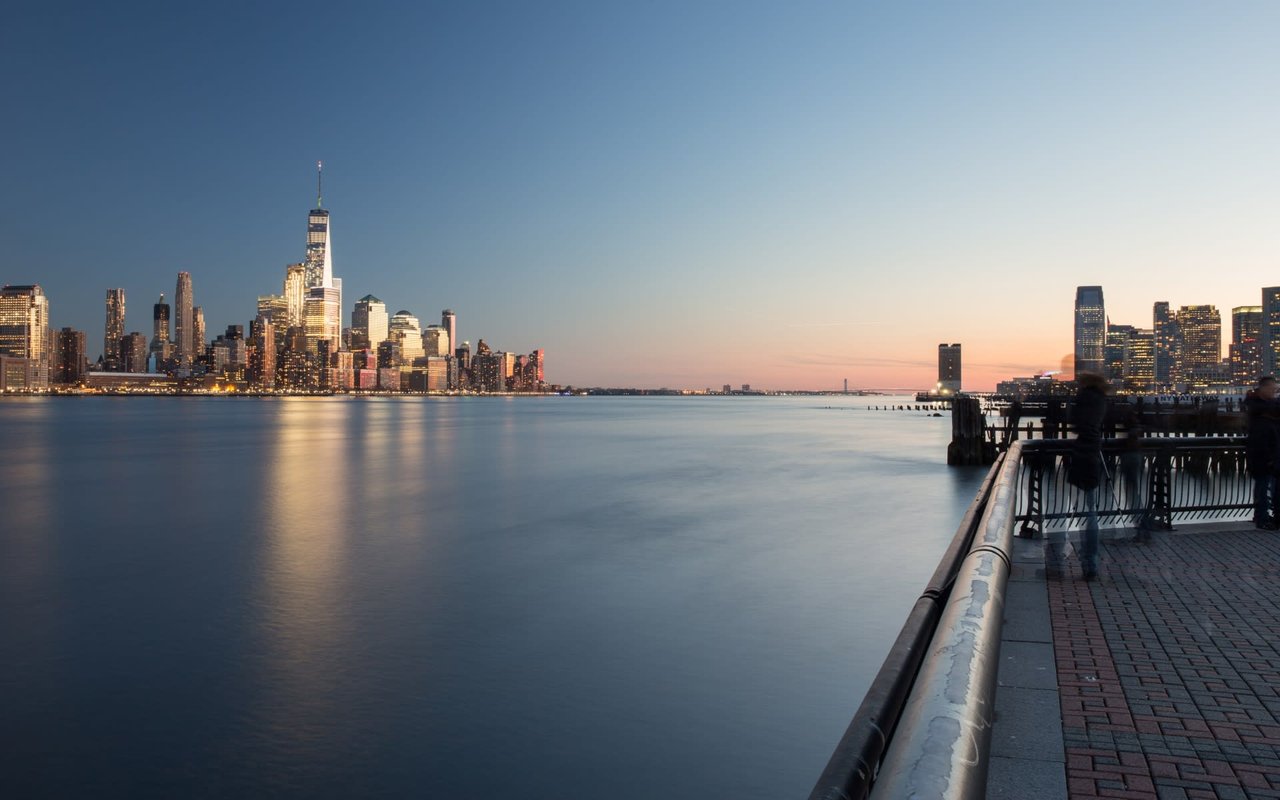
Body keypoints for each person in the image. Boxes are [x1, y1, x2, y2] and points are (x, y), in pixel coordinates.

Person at [1061, 372, 1108, 581]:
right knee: (1090, 510)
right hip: (1094, 455)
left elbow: (1073, 421)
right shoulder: (1101, 399)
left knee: (1084, 511)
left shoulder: (1085, 397)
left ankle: (1088, 561)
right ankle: (1091, 561)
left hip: (1082, 455)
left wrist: (1071, 403)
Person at [1245, 376, 1280, 530]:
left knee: (1270, 487)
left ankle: (1269, 517)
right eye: (1273, 388)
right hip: (1262, 454)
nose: (1275, 390)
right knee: (1264, 486)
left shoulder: (1260, 406)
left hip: (1271, 453)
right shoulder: (1260, 407)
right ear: (1264, 388)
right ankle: (1263, 518)